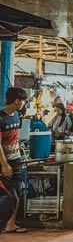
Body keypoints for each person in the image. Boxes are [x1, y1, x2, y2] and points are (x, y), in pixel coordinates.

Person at [0, 87, 29, 233]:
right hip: (4, 163)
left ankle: (11, 224)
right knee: (8, 194)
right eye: (23, 101)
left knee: (18, 191)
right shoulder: (1, 118)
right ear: (17, 101)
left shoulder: (17, 115)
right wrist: (4, 164)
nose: (24, 104)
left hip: (16, 159)